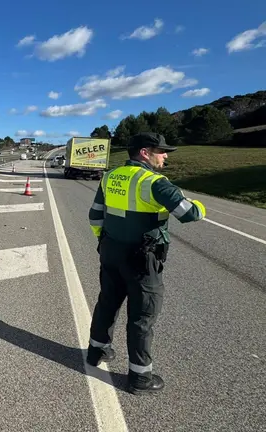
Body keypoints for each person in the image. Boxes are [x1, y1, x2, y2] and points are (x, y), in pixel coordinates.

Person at [85, 132, 207, 395]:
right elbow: (190, 214)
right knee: (142, 316)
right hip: (142, 258)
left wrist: (103, 241)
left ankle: (97, 351)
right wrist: (198, 203)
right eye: (161, 151)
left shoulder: (110, 176)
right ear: (144, 152)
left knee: (107, 302)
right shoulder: (154, 182)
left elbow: (95, 215)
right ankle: (140, 377)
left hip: (110, 251)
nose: (165, 156)